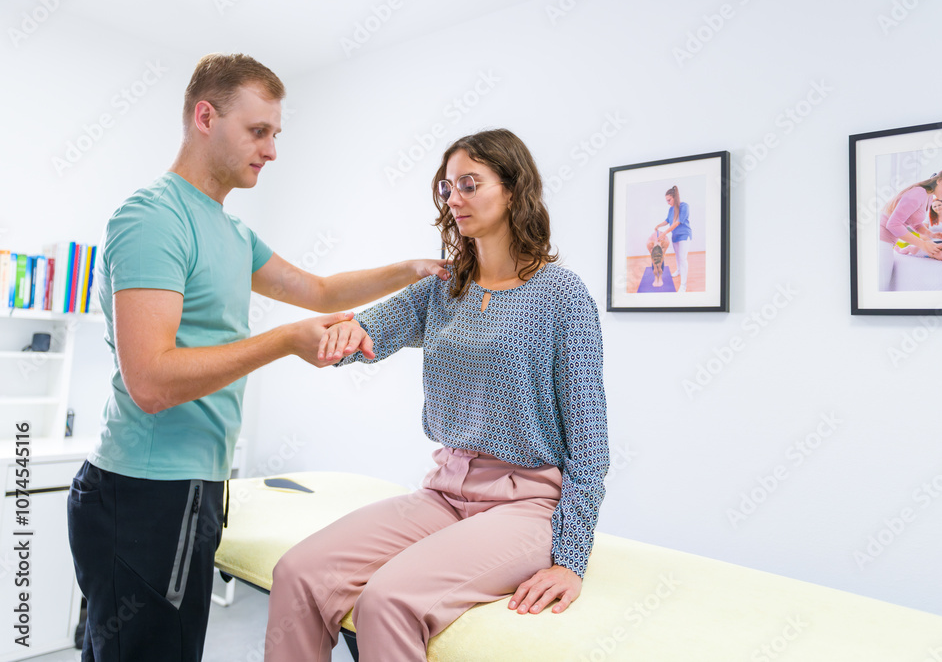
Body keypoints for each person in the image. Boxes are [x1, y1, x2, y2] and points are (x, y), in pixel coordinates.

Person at [66, 53, 446, 662]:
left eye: (275, 134)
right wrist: (285, 342)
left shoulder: (232, 232)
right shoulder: (153, 219)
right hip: (143, 492)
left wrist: (413, 270)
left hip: (195, 487)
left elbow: (319, 291)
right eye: (258, 131)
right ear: (205, 116)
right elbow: (152, 382)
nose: (271, 150)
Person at [264, 129, 610, 661]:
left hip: (526, 506)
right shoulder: (443, 287)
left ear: (514, 190)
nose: (454, 199)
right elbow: (364, 334)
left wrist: (569, 559)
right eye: (447, 187)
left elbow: (589, 444)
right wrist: (334, 338)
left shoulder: (562, 296)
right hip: (444, 492)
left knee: (389, 601)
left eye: (470, 183)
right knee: (299, 572)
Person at [878, 166, 942, 290]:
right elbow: (893, 224)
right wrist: (923, 245)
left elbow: (915, 223)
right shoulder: (918, 193)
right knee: (881, 287)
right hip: (881, 241)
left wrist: (931, 234)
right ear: (940, 180)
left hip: (887, 241)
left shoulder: (929, 196)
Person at [645, 186, 691, 291]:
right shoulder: (671, 209)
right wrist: (659, 225)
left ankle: (683, 285)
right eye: (666, 201)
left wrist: (664, 232)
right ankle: (679, 271)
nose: (668, 202)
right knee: (678, 257)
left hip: (684, 235)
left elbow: (677, 222)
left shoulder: (684, 206)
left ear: (675, 197)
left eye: (669, 200)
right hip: (675, 236)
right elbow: (667, 220)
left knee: (683, 258)